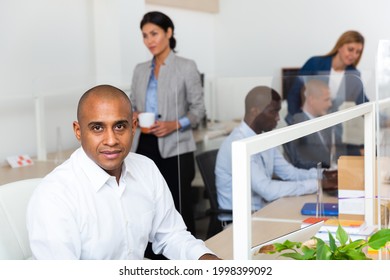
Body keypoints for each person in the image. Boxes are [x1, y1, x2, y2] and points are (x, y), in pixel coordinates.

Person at [26, 85, 219, 260]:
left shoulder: (146, 168)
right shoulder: (54, 195)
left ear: (133, 127)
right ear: (78, 131)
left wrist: (206, 260)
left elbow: (170, 235)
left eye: (119, 126)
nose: (111, 140)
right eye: (97, 128)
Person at [130, 11, 204, 237]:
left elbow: (198, 110)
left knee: (178, 207)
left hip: (175, 148)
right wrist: (135, 114)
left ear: (168, 32)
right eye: (145, 35)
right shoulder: (140, 69)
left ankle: (186, 260)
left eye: (154, 33)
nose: (149, 40)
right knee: (146, 206)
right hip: (143, 145)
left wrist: (174, 124)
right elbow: (132, 104)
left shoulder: (186, 66)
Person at [215, 86, 337, 223]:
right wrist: (318, 184)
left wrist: (323, 174)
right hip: (239, 223)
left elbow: (290, 173)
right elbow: (268, 190)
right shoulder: (238, 144)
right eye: (273, 112)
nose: (278, 118)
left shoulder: (262, 139)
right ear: (254, 111)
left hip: (261, 212)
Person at [285, 30, 369, 124]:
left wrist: (383, 119)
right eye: (350, 49)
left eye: (358, 52)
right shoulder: (315, 63)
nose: (354, 55)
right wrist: (298, 121)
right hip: (302, 121)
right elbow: (293, 95)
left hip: (330, 125)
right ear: (340, 47)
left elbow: (363, 102)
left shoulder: (354, 74)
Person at [284, 79, 335, 169]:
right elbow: (300, 164)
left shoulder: (325, 123)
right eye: (326, 100)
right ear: (311, 100)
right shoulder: (295, 126)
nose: (330, 104)